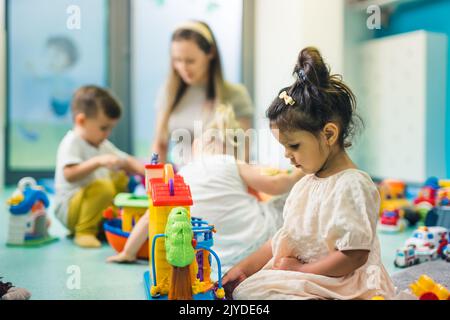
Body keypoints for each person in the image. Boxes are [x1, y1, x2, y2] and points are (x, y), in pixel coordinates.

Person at [222, 47, 396, 300]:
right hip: (306, 275)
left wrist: (302, 270)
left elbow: (354, 256)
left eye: (293, 146)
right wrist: (244, 268)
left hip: (343, 283)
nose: (287, 155)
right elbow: (284, 238)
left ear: (328, 134)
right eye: (283, 147)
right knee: (246, 292)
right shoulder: (306, 183)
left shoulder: (353, 185)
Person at [107, 105, 304, 273]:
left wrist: (128, 252)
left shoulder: (182, 175)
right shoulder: (231, 162)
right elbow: (276, 186)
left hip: (206, 254)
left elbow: (152, 215)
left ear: (196, 146)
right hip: (253, 239)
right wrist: (298, 173)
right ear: (234, 149)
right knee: (287, 200)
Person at [152, 20, 254, 166]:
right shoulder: (168, 93)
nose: (183, 67)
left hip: (221, 181)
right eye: (177, 60)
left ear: (210, 53)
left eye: (190, 61)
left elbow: (243, 153)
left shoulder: (236, 95)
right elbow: (159, 145)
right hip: (182, 181)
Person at [54, 85, 145, 248]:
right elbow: (69, 173)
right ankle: (84, 231)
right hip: (69, 211)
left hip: (89, 206)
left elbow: (126, 161)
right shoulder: (72, 142)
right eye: (103, 128)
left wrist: (149, 172)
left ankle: (104, 224)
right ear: (81, 121)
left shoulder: (101, 144)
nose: (107, 133)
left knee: (119, 179)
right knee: (103, 187)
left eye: (110, 128)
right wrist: (98, 162)